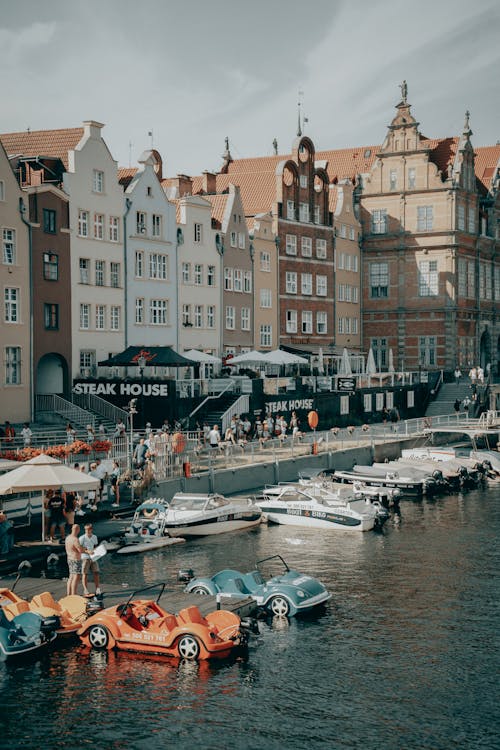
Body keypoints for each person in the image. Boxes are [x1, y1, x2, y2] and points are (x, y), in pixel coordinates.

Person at [79, 523, 101, 596]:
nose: (87, 531)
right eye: (85, 529)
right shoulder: (82, 538)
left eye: (88, 529)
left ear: (91, 530)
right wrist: (87, 551)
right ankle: (85, 589)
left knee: (96, 572)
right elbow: (80, 548)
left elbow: (95, 545)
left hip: (93, 557)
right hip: (85, 557)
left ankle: (97, 588)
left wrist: (95, 551)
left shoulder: (94, 537)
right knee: (85, 573)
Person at [65, 524, 85, 596]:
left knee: (71, 576)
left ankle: (68, 594)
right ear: (77, 530)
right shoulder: (75, 539)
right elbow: (80, 550)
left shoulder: (67, 538)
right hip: (76, 559)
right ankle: (74, 594)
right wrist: (86, 549)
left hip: (69, 558)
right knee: (76, 577)